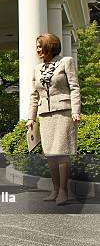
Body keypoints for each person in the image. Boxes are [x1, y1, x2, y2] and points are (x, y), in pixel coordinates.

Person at [26, 33, 81, 205]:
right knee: (50, 154)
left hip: (64, 112)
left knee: (62, 152)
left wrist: (76, 110)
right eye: (37, 47)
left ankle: (64, 191)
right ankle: (55, 189)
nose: (38, 50)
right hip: (45, 115)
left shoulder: (66, 62)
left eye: (40, 46)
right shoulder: (36, 69)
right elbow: (34, 95)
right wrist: (31, 118)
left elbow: (74, 87)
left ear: (50, 46)